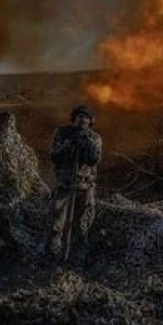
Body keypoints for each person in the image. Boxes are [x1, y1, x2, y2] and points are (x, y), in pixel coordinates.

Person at [47, 104, 102, 267]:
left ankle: (78, 259)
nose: (82, 119)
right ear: (74, 118)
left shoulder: (94, 137)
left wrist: (86, 144)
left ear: (90, 121)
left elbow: (94, 160)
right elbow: (53, 156)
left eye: (86, 117)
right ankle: (52, 257)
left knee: (82, 225)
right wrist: (68, 144)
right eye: (79, 116)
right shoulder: (62, 132)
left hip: (85, 187)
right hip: (65, 185)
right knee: (56, 223)